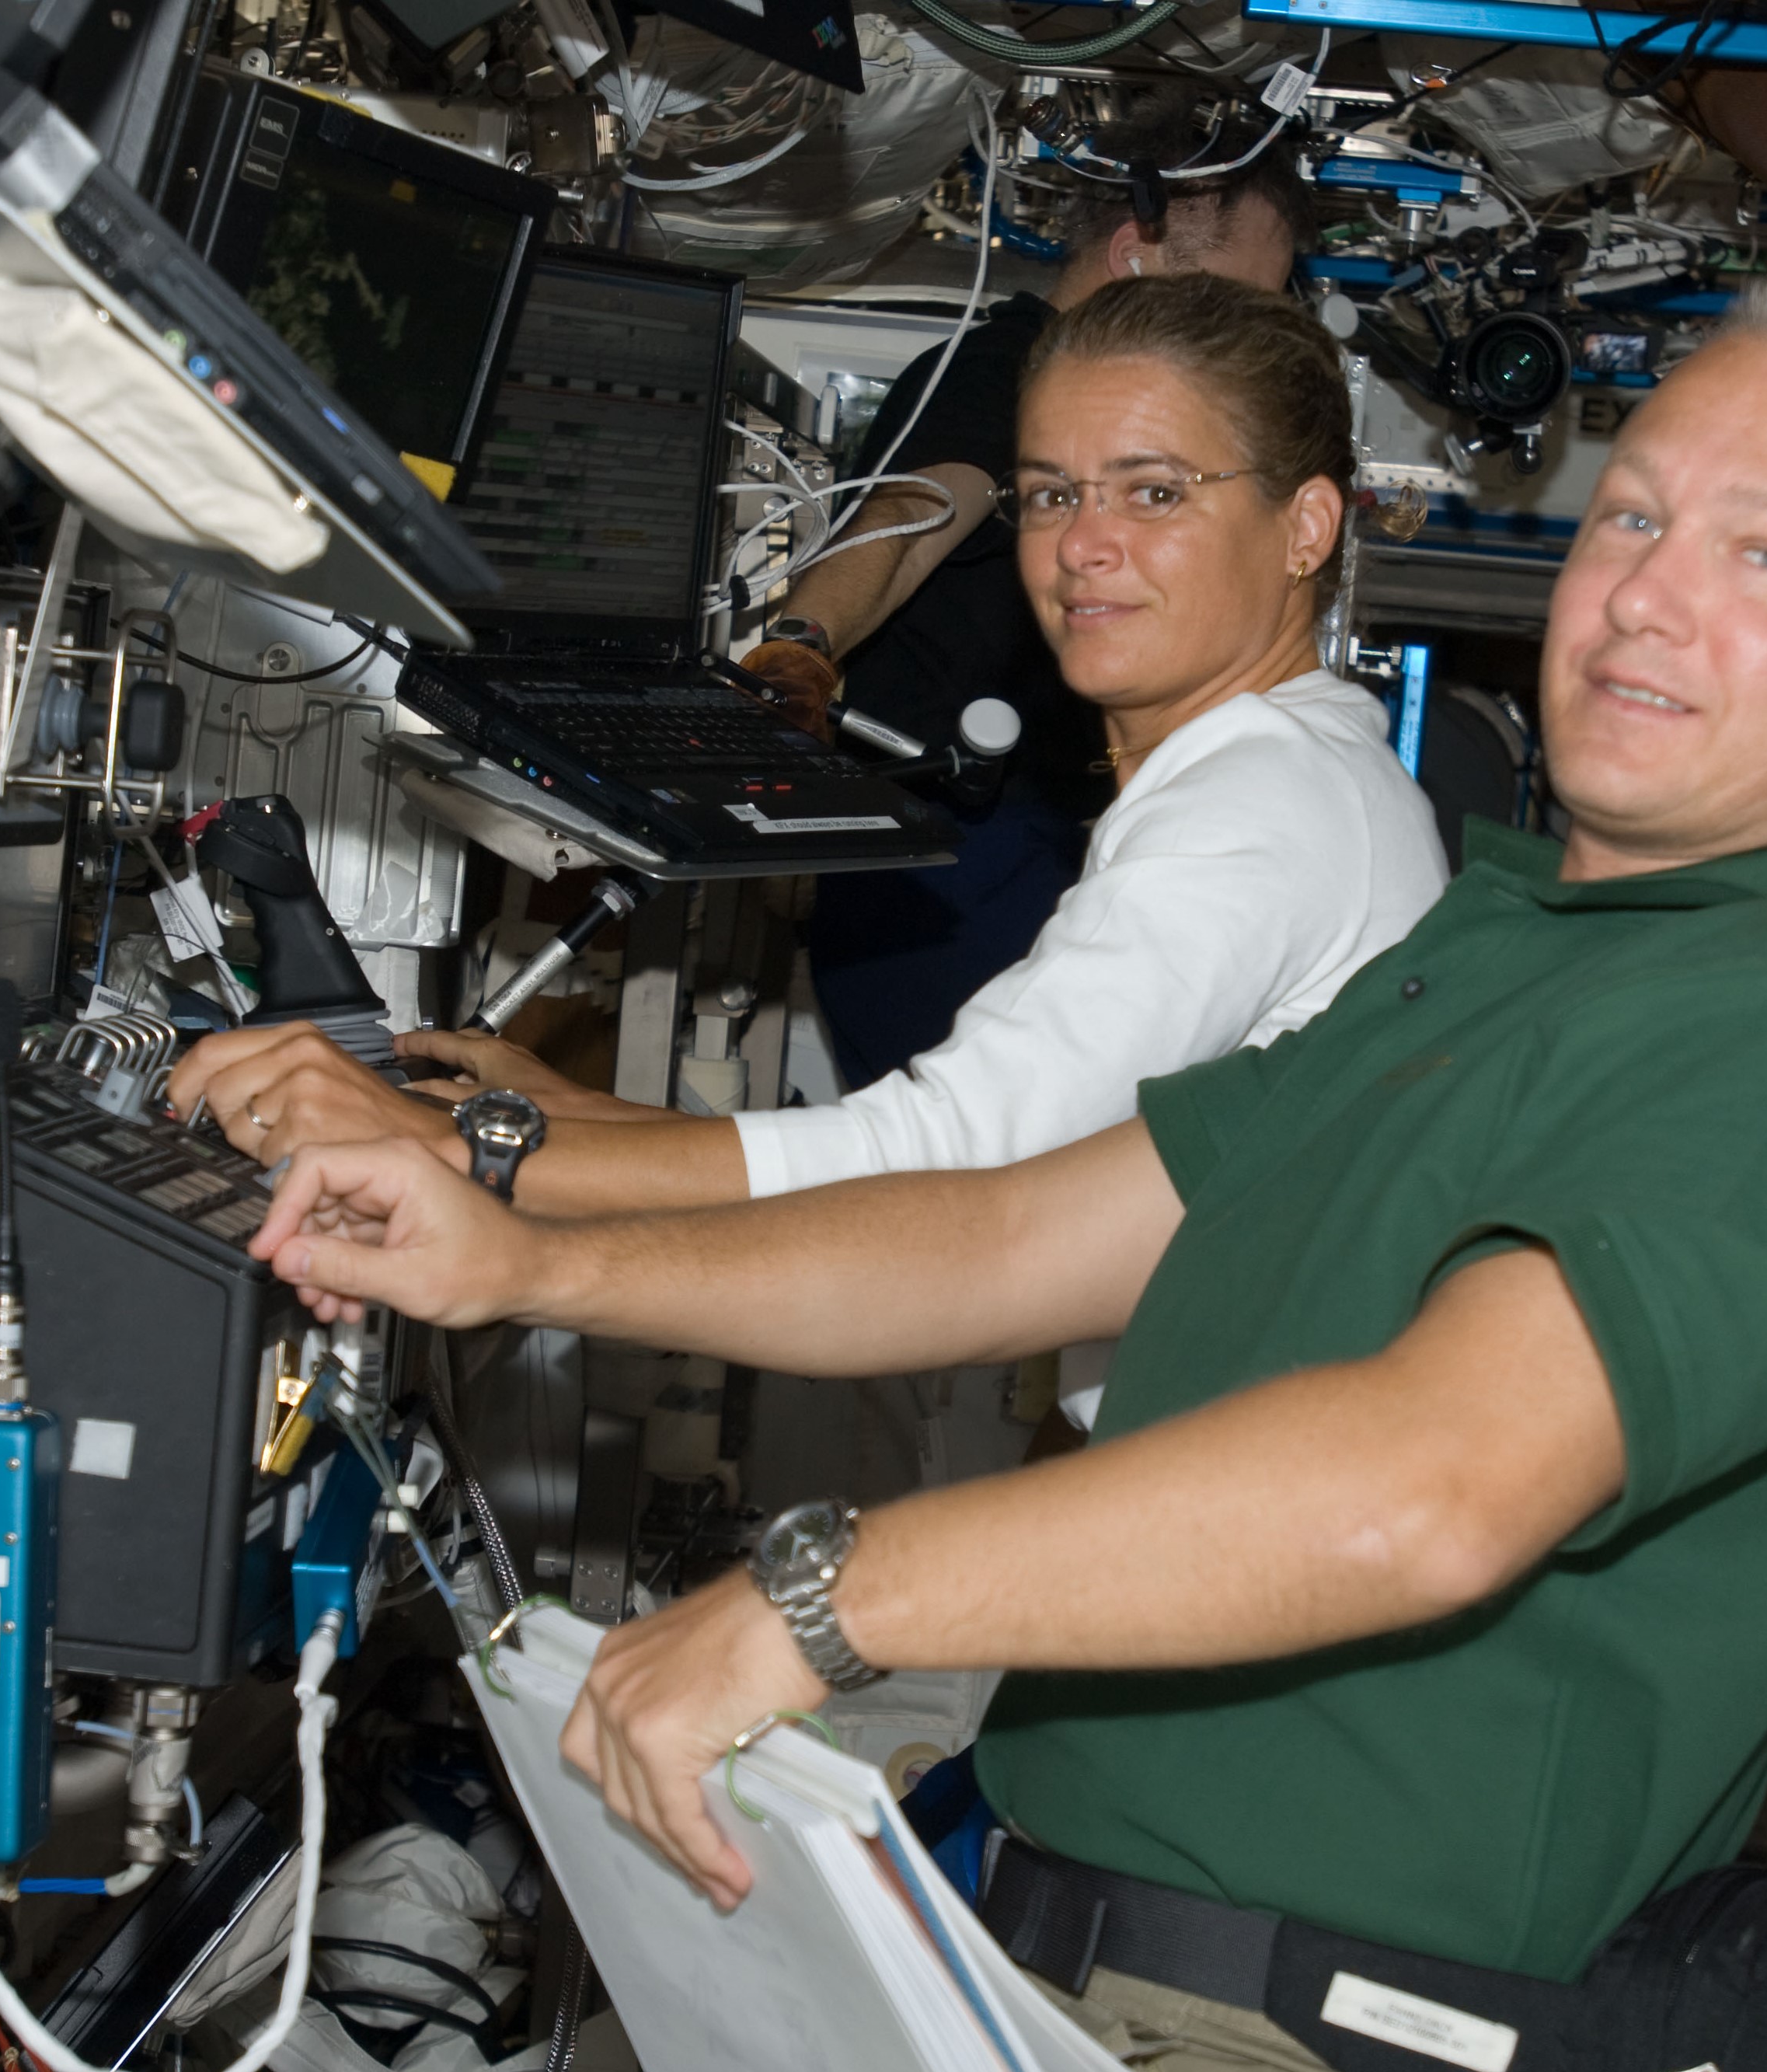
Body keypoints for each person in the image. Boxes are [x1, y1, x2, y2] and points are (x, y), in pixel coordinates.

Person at [241, 279, 1767, 2072]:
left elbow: (1432, 1489)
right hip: (1076, 1949)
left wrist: (823, 1594)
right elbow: (1023, 1231)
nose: (1648, 592)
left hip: (1287, 2026)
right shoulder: (1527, 955)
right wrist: (513, 1262)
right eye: (1636, 515)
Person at [178, 278, 1447, 1347]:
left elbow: (953, 1161)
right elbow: (994, 1152)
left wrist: (456, 1149)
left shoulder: (1262, 810)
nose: (1082, 545)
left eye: (1153, 491)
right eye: (1053, 493)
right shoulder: (1293, 775)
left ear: (1305, 527)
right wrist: (551, 1115)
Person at [752, 92, 1316, 1088]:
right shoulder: (1002, 371)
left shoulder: (1086, 405)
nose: (1242, 337)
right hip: (942, 859)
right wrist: (800, 646)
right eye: (1230, 299)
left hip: (1016, 841)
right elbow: (910, 520)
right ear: (1135, 253)